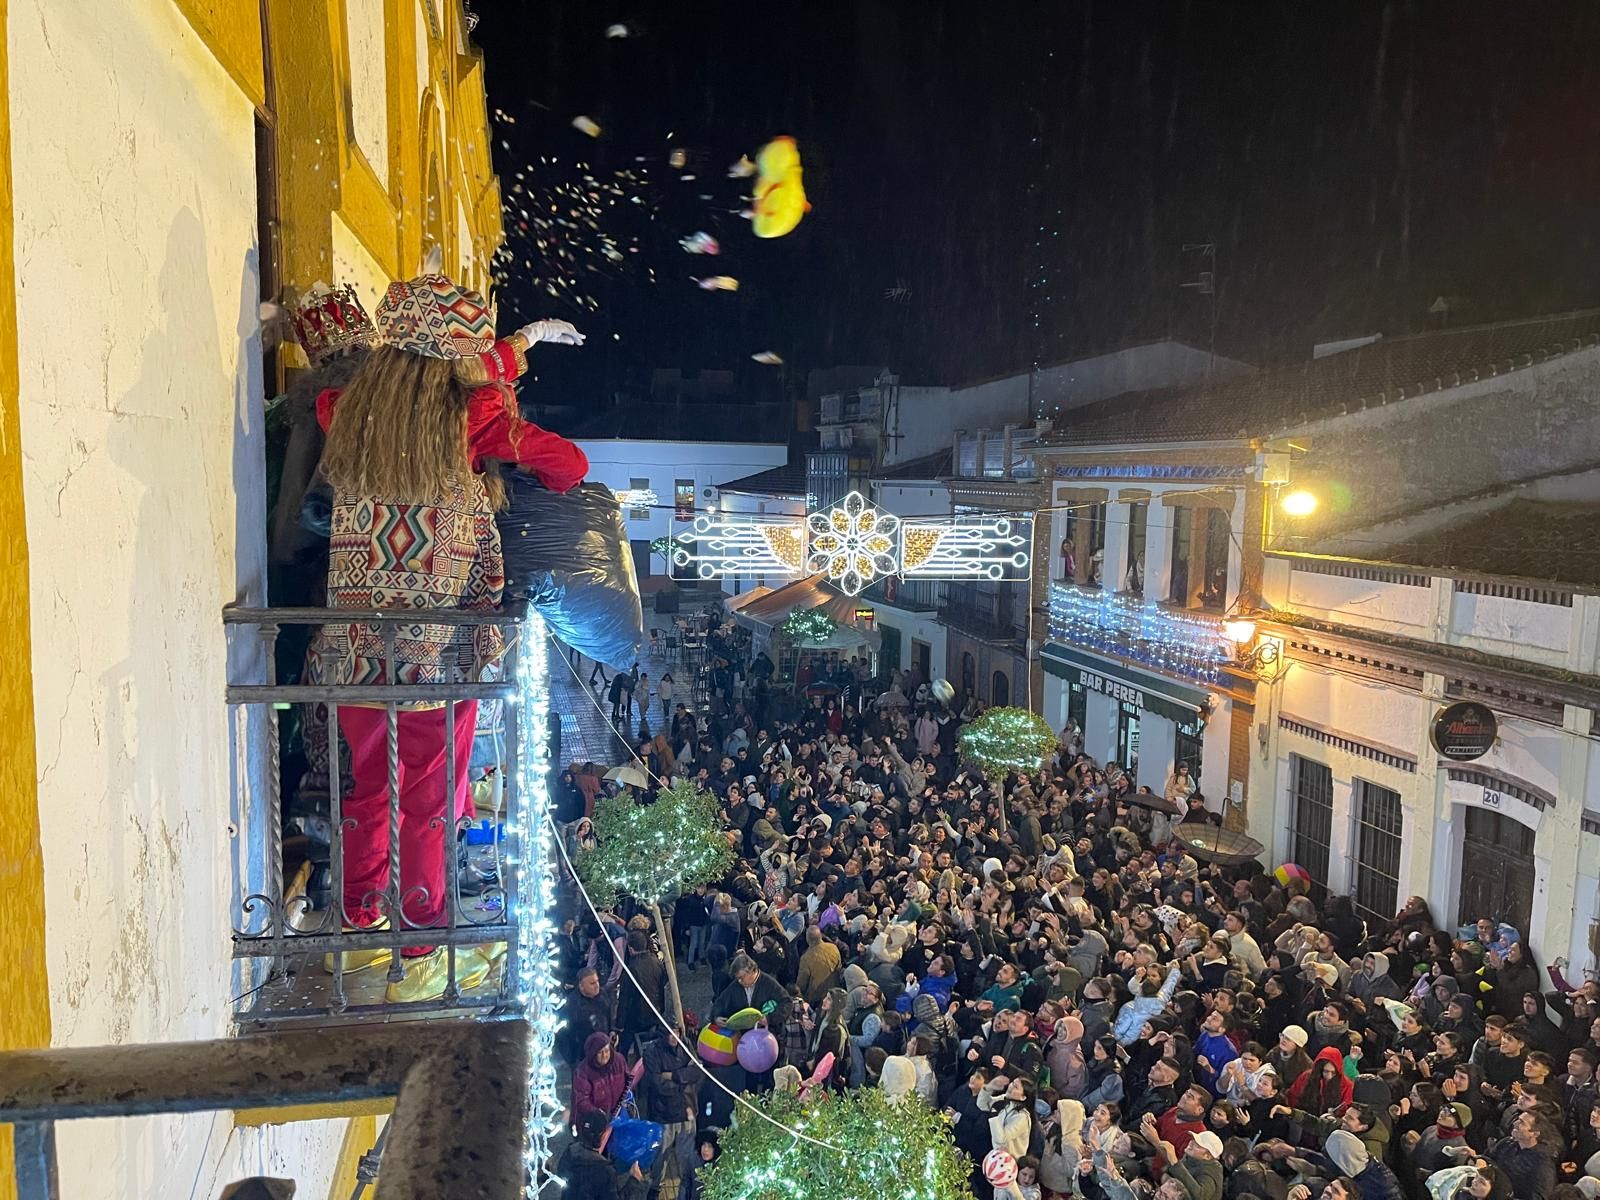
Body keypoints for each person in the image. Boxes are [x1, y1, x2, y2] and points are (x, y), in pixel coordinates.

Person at [314, 273, 587, 1002]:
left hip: (355, 655)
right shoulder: (469, 425)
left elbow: (338, 396)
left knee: (374, 789)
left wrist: (505, 355)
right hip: (439, 658)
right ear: (457, 362)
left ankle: (361, 919)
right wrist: (504, 374)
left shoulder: (346, 413)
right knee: (431, 802)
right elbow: (570, 468)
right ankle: (423, 942)